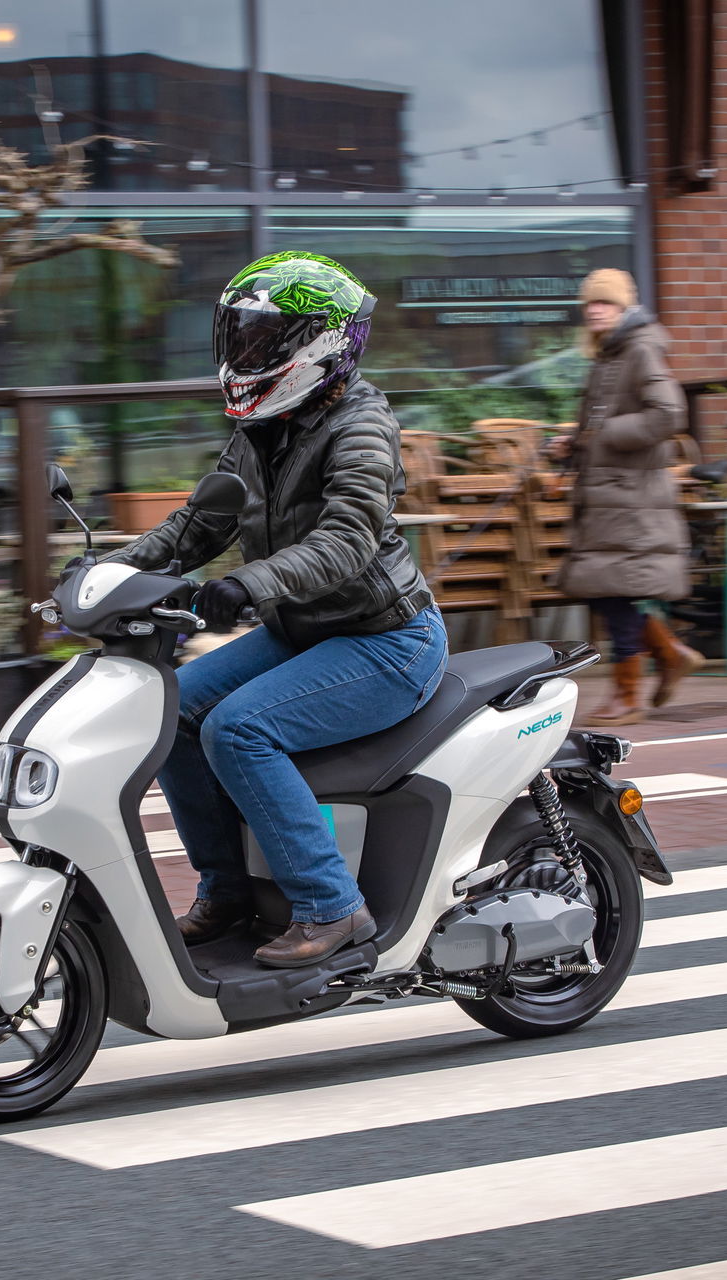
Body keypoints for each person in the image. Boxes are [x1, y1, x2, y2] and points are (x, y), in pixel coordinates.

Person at [103, 252, 446, 968]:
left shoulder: (362, 426)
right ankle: (227, 890)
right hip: (304, 630)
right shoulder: (264, 426)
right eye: (240, 336)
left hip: (385, 641)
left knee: (238, 731)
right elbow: (198, 524)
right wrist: (108, 572)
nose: (244, 353)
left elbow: (347, 541)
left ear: (318, 344)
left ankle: (332, 908)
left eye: (263, 340)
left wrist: (252, 584)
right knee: (171, 712)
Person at [551, 268, 701, 726]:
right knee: (608, 592)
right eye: (590, 303)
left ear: (624, 308)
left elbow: (669, 413)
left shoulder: (640, 349)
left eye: (605, 303)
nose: (594, 309)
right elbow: (602, 424)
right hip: (610, 499)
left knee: (615, 593)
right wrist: (574, 441)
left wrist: (606, 435)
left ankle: (628, 694)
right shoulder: (609, 354)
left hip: (630, 499)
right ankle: (669, 653)